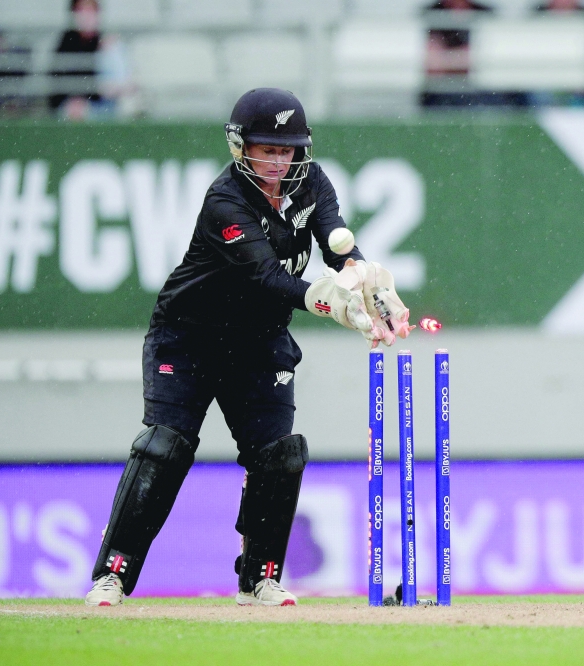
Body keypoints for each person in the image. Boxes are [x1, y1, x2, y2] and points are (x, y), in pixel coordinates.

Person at [84, 88, 412, 607]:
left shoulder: (314, 183)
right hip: (188, 337)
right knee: (166, 447)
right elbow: (263, 277)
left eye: (288, 150)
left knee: (278, 457)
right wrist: (332, 304)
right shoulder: (225, 202)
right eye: (268, 148)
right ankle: (113, 575)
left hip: (259, 342)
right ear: (241, 146)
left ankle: (260, 577)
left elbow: (337, 246)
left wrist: (372, 288)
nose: (279, 160)